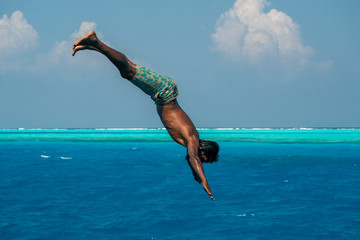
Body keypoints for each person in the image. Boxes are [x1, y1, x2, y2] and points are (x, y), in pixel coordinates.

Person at [72, 31, 219, 200]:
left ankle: (93, 46)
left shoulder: (191, 141)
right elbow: (194, 158)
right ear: (203, 150)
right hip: (163, 92)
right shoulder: (192, 140)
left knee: (128, 68)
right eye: (205, 160)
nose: (203, 162)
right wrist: (205, 182)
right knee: (127, 71)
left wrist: (199, 179)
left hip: (164, 92)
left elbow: (192, 161)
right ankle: (95, 41)